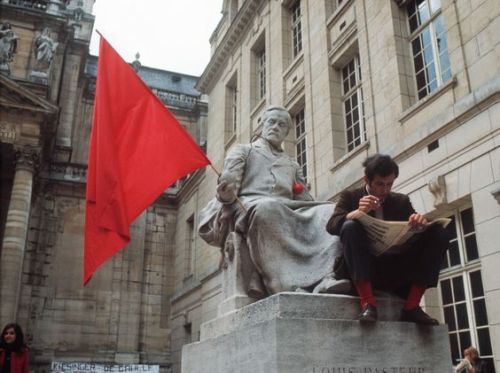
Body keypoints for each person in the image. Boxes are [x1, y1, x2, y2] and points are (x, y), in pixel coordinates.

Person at [198, 106, 348, 297]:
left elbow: (304, 198)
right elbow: (229, 193)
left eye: (282, 124)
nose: (276, 127)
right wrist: (225, 190)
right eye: (271, 122)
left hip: (287, 207)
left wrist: (315, 208)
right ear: (262, 125)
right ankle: (287, 285)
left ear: (286, 132)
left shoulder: (292, 163)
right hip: (250, 204)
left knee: (330, 212)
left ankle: (326, 277)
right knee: (268, 208)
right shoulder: (244, 151)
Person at [326, 154, 449, 324]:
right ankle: (368, 303)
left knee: (439, 233)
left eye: (389, 184)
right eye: (379, 184)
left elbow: (418, 232)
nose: (384, 190)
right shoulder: (350, 197)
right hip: (362, 268)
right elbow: (331, 225)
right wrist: (356, 213)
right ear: (367, 180)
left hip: (394, 268)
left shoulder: (401, 201)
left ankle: (412, 306)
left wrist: (420, 224)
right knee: (350, 226)